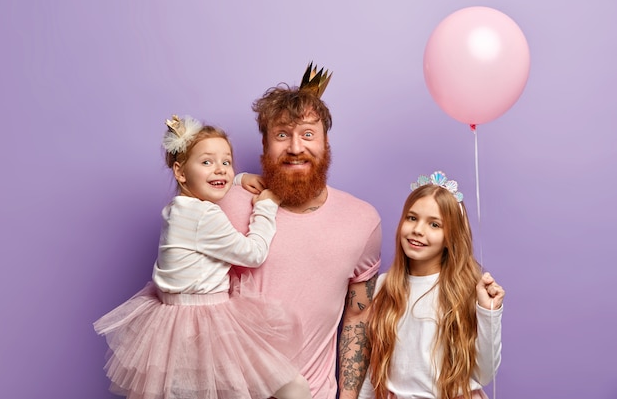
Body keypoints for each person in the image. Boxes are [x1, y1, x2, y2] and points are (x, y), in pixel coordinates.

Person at [93, 115, 312, 399]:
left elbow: (213, 182)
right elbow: (253, 253)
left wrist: (241, 179)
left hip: (171, 318)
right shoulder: (204, 215)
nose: (220, 170)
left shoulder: (179, 208)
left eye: (226, 162)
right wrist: (266, 208)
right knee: (290, 385)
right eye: (207, 162)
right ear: (180, 172)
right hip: (205, 320)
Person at [218, 62, 383, 399]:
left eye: (308, 134)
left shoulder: (362, 221)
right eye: (282, 135)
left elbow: (357, 316)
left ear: (326, 144)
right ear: (265, 146)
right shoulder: (226, 206)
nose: (295, 147)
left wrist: (349, 397)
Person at [358, 171, 505, 399]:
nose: (418, 230)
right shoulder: (384, 286)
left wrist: (489, 313)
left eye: (434, 224)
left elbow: (484, 373)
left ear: (451, 237)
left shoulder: (466, 290)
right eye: (412, 218)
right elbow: (373, 366)